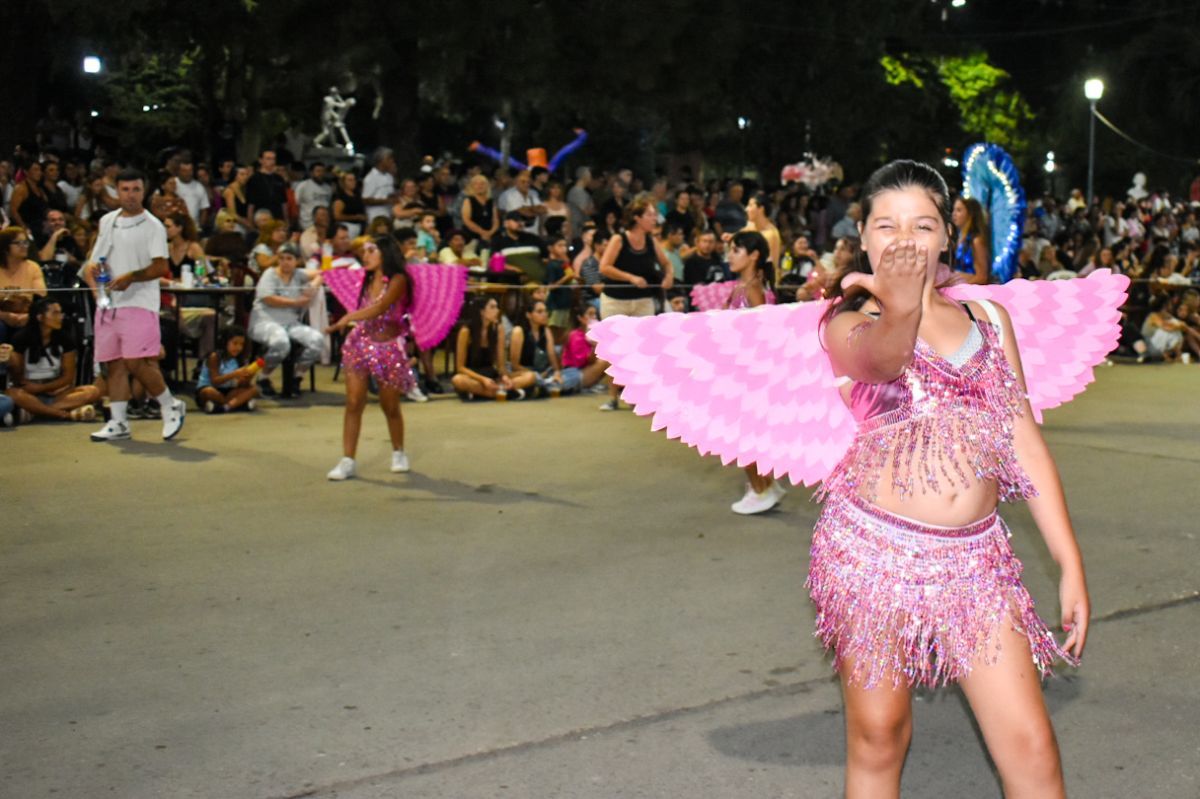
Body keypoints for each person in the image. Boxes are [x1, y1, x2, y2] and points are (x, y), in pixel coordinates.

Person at [811, 160, 1086, 796]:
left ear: (946, 237)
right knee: (880, 735)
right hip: (871, 557)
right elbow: (883, 360)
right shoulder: (846, 324)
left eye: (923, 224)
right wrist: (900, 305)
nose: (905, 239)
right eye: (886, 225)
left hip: (977, 564)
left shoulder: (989, 319)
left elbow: (1024, 440)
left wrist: (1068, 561)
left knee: (1032, 746)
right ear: (863, 236)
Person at [83, 168, 186, 442]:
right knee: (113, 364)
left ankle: (170, 405)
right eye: (125, 189)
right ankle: (118, 422)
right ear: (117, 191)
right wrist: (98, 284)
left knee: (136, 361)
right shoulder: (107, 221)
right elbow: (95, 262)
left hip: (140, 303)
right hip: (108, 305)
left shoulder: (153, 226)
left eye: (136, 189)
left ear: (144, 191)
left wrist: (131, 277)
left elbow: (161, 267)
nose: (130, 195)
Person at [323, 237, 420, 479]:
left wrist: (348, 317)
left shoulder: (398, 280)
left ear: (385, 252)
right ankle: (348, 460)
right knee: (354, 402)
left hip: (389, 348)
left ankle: (398, 451)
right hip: (360, 344)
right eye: (364, 252)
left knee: (390, 406)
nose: (365, 256)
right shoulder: (365, 279)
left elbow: (379, 307)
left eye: (371, 251)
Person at [597, 197, 674, 410]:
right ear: (637, 218)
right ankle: (613, 396)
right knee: (615, 348)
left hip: (643, 300)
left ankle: (636, 396)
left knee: (640, 349)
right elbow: (604, 267)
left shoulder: (651, 241)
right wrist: (630, 278)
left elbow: (667, 263)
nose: (654, 218)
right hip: (615, 300)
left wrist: (668, 276)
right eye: (649, 214)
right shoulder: (619, 239)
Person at [5, 297, 100, 423]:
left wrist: (43, 388)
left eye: (61, 313)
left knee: (92, 391)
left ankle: (36, 412)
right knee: (13, 394)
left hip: (55, 391)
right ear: (40, 317)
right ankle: (65, 414)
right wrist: (32, 387)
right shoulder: (21, 338)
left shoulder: (65, 339)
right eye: (55, 313)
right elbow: (17, 376)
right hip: (29, 392)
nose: (61, 317)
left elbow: (68, 376)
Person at [249, 242, 323, 397]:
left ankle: (296, 377)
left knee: (317, 340)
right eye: (281, 258)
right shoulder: (269, 274)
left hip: (290, 324)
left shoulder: (298, 274)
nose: (285, 262)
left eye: (289, 258)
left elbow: (323, 273)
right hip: (265, 322)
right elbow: (269, 298)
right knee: (281, 342)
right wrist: (296, 302)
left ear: (297, 261)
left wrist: (314, 284)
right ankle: (263, 377)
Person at [450, 295, 531, 400]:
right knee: (457, 380)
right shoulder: (466, 331)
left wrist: (504, 377)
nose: (497, 310)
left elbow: (501, 366)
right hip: (473, 376)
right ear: (482, 312)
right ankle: (505, 393)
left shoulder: (498, 329)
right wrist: (482, 379)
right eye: (492, 307)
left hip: (491, 374)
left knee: (530, 376)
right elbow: (460, 368)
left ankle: (483, 393)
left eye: (497, 307)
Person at [196, 325, 260, 413]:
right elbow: (215, 381)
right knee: (208, 392)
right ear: (225, 342)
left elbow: (240, 385)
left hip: (229, 390)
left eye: (241, 344)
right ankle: (238, 405)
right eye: (235, 343)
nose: (238, 348)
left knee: (254, 390)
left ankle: (225, 407)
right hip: (211, 388)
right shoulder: (215, 357)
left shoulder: (240, 359)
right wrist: (234, 374)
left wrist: (248, 377)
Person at [0, 226, 48, 344]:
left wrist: (28, 316)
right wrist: (4, 315)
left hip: (26, 315)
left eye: (25, 242)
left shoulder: (33, 267)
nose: (24, 246)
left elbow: (40, 297)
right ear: (5, 247)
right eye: (18, 243)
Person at [510, 298, 567, 395]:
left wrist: (557, 372)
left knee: (568, 376)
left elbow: (552, 357)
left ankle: (538, 388)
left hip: (544, 372)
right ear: (528, 315)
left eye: (545, 311)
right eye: (539, 312)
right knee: (532, 377)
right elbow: (514, 366)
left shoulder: (546, 331)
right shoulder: (519, 331)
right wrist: (537, 374)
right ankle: (540, 387)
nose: (545, 314)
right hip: (525, 372)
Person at [559, 303, 609, 392]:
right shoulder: (576, 336)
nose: (594, 317)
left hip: (583, 371)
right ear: (580, 318)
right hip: (574, 374)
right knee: (604, 360)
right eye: (590, 314)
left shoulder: (589, 334)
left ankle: (593, 384)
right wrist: (595, 346)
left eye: (595, 314)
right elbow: (582, 362)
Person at [952, 196, 991, 284]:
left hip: (970, 290)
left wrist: (960, 286)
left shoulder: (976, 241)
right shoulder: (958, 239)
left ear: (970, 214)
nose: (954, 214)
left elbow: (982, 277)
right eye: (954, 210)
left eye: (959, 210)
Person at [497, 170, 545, 235]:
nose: (526, 184)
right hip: (514, 233)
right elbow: (502, 213)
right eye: (523, 182)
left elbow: (542, 210)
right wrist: (533, 209)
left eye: (528, 182)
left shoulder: (534, 193)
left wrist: (525, 209)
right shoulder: (506, 195)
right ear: (516, 182)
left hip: (533, 232)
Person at [245, 149, 288, 222]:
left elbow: (283, 202)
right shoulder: (254, 179)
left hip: (277, 217)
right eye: (268, 158)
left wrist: (286, 220)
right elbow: (250, 204)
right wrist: (250, 222)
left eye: (273, 159)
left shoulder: (279, 178)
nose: (271, 161)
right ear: (261, 160)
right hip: (260, 217)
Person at [362, 147, 398, 226]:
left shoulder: (389, 176)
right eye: (389, 158)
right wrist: (386, 201)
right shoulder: (371, 178)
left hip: (389, 214)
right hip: (375, 217)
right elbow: (365, 200)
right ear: (381, 160)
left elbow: (390, 194)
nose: (392, 161)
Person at [461, 174, 498, 248]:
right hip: (472, 234)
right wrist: (482, 232)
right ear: (472, 186)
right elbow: (466, 220)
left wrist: (491, 232)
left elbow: (495, 220)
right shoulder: (468, 200)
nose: (479, 186)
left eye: (482, 184)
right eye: (476, 184)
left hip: (490, 232)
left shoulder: (490, 201)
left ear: (487, 186)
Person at [174, 157, 211, 230]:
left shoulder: (199, 187)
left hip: (194, 227)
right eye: (185, 171)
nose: (188, 173)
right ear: (178, 171)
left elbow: (204, 209)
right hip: (175, 227)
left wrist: (200, 227)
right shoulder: (172, 183)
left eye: (190, 170)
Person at [295, 163, 333, 231]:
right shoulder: (303, 186)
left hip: (323, 224)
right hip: (307, 223)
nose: (321, 173)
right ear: (311, 173)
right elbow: (296, 204)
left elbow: (328, 205)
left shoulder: (328, 188)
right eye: (318, 171)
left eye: (323, 171)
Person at [332, 172, 367, 239]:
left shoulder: (357, 195)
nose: (353, 182)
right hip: (347, 227)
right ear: (344, 182)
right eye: (350, 180)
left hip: (360, 227)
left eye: (354, 180)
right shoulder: (340, 197)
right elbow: (337, 216)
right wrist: (356, 217)